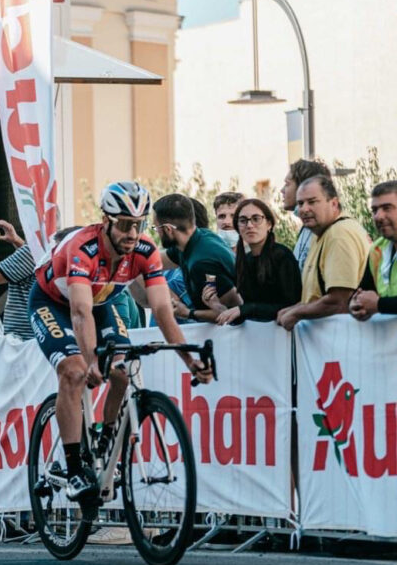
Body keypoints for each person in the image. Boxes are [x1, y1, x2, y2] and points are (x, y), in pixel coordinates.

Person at [29, 182, 210, 517]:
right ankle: (73, 468)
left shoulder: (144, 250)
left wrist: (189, 359)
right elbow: (79, 313)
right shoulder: (83, 248)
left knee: (124, 372)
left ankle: (105, 443)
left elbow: (162, 311)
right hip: (53, 302)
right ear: (106, 221)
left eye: (139, 224)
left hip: (102, 299)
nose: (132, 232)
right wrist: (89, 358)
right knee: (75, 371)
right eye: (125, 224)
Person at [277, 175, 370, 332]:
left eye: (312, 202)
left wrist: (297, 313)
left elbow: (340, 301)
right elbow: (316, 296)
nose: (304, 209)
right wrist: (294, 308)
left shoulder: (339, 234)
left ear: (333, 203)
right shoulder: (321, 233)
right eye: (300, 203)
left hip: (344, 340)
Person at [212, 197, 300, 324]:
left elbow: (291, 306)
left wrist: (246, 309)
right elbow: (245, 309)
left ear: (269, 224)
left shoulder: (282, 256)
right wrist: (215, 304)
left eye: (256, 219)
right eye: (243, 220)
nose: (249, 225)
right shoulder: (244, 261)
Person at [152, 193, 238, 322]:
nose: (157, 232)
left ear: (168, 230)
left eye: (156, 228)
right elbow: (154, 262)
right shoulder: (196, 238)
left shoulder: (202, 263)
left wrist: (187, 313)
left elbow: (231, 310)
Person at [350, 181, 397, 321]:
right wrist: (355, 305)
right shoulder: (377, 249)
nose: (378, 216)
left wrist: (379, 304)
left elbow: (375, 303)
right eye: (375, 210)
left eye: (387, 208)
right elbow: (363, 292)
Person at [282, 158, 333, 269]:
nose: (282, 190)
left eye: (287, 184)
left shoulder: (328, 230)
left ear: (304, 186)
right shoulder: (308, 228)